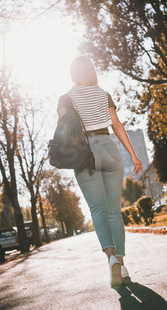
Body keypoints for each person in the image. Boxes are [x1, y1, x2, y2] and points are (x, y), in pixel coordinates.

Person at [57, 56, 143, 286]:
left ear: (73, 73)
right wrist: (133, 155)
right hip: (109, 147)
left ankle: (112, 259)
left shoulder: (66, 98)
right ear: (92, 71)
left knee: (98, 210)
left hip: (85, 154)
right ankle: (123, 265)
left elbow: (63, 129)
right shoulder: (103, 94)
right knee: (115, 211)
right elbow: (116, 124)